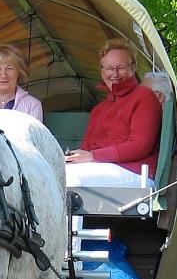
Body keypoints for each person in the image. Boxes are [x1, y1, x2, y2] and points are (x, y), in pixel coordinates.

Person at [65, 38, 163, 186]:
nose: (115, 74)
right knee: (52, 174)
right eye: (109, 68)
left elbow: (140, 146)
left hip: (137, 173)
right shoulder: (99, 110)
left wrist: (93, 156)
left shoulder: (144, 97)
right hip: (101, 169)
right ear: (101, 70)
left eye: (121, 68)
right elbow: (86, 150)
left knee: (71, 179)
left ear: (133, 68)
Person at [0, 44, 43, 121]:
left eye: (9, 68)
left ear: (19, 72)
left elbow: (35, 133)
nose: (3, 75)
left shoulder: (32, 105)